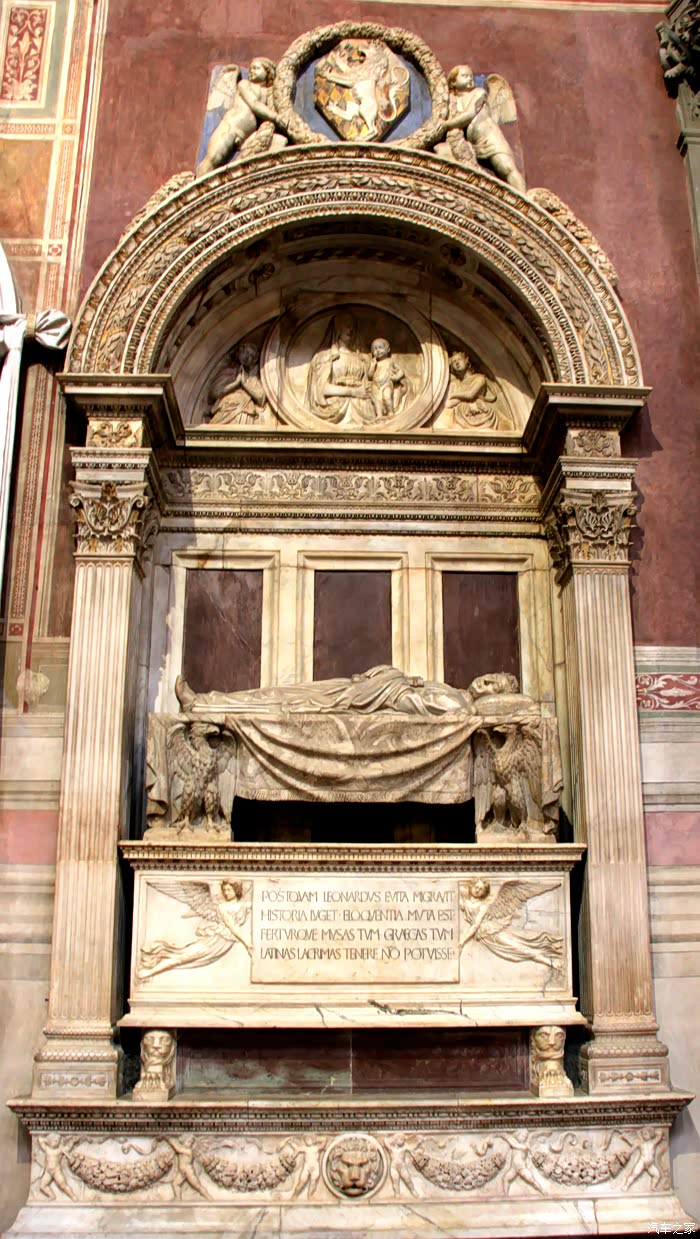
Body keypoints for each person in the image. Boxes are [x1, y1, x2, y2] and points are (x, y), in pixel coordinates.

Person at [441, 65, 525, 192]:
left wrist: (446, 125)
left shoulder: (479, 93)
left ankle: (522, 196)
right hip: (475, 144)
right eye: (464, 76)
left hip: (491, 137)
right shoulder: (453, 101)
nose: (469, 78)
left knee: (507, 167)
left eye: (470, 76)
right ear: (453, 82)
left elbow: (470, 114)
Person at [197, 59, 281, 176]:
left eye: (256, 68)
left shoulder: (269, 93)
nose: (252, 71)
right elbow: (254, 104)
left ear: (268, 71)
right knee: (213, 159)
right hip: (231, 127)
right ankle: (200, 182)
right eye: (250, 69)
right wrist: (277, 118)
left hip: (248, 136)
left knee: (280, 141)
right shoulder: (244, 84)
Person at [306, 311, 374, 427]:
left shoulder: (362, 358)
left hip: (363, 406)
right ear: (338, 329)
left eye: (353, 326)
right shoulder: (326, 357)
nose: (350, 329)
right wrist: (354, 392)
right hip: (336, 405)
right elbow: (322, 389)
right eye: (347, 325)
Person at [368, 338, 409, 418]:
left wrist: (396, 377)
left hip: (386, 383)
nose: (378, 350)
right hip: (375, 385)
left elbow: (401, 371)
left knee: (387, 397)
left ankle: (390, 412)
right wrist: (372, 367)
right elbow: (370, 376)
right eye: (375, 349)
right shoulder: (375, 363)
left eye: (380, 347)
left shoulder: (390, 361)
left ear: (388, 349)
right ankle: (379, 415)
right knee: (377, 400)